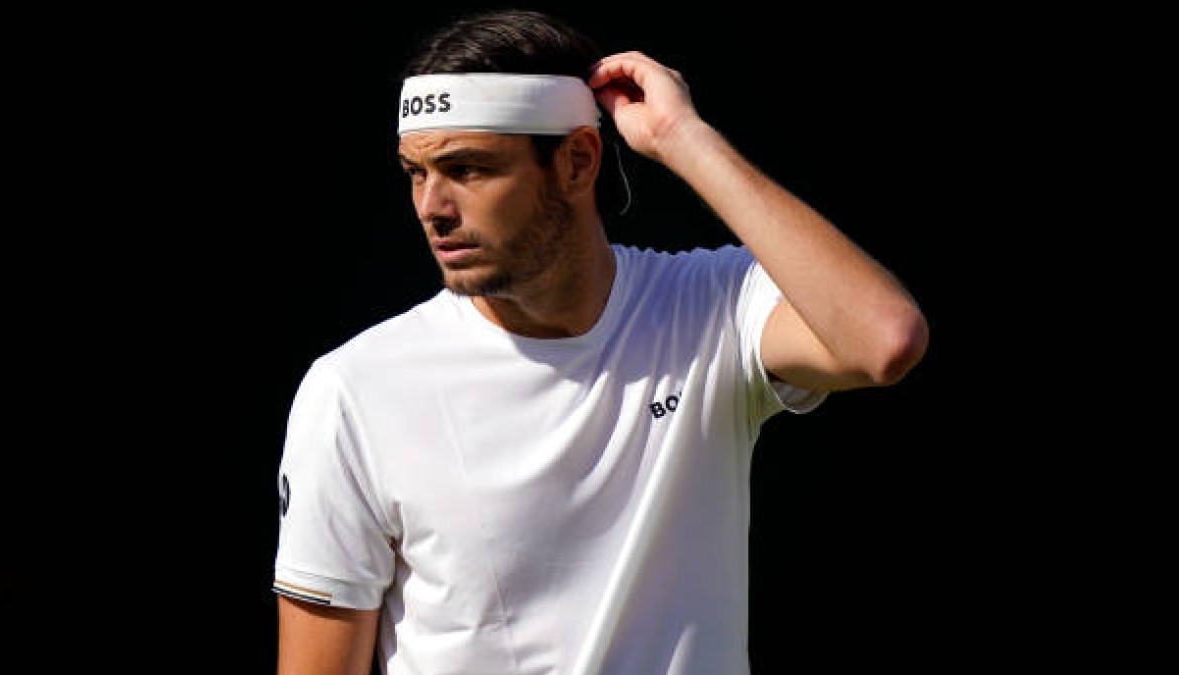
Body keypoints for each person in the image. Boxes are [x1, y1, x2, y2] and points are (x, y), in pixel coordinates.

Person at [272, 8, 929, 675]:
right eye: (416, 172)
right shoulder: (352, 389)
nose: (431, 207)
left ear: (579, 161)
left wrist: (682, 137)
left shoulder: (712, 306)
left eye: (467, 169)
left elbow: (884, 337)